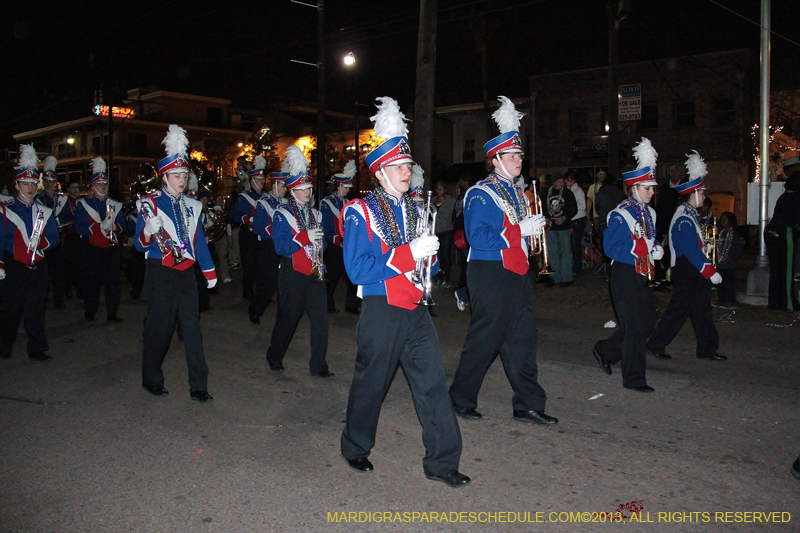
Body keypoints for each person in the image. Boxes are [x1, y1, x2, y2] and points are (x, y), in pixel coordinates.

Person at [340, 97, 468, 487]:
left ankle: (442, 461)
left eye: (408, 165)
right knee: (371, 384)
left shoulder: (415, 210)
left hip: (415, 310)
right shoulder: (358, 211)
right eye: (397, 166)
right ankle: (355, 446)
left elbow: (423, 261)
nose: (406, 171)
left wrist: (428, 258)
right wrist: (407, 253)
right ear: (379, 172)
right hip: (381, 310)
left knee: (432, 384)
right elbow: (357, 269)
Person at [449, 96, 556, 425]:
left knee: (523, 340)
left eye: (519, 154)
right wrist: (518, 229)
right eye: (511, 155)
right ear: (495, 160)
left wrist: (533, 230)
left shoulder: (518, 192)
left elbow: (519, 232)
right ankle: (460, 398)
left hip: (517, 272)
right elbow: (479, 236)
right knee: (485, 339)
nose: (518, 159)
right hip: (490, 272)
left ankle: (528, 404)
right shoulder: (480, 193)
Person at [135, 125, 216, 402]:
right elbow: (138, 244)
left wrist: (209, 270)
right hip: (160, 271)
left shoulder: (193, 205)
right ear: (164, 176)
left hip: (186, 273)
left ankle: (198, 385)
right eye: (176, 175)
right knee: (160, 327)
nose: (182, 180)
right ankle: (151, 378)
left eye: (184, 175)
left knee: (192, 328)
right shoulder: (149, 204)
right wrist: (146, 231)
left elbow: (199, 241)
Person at [592, 138, 664, 392]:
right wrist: (642, 248)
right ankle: (634, 378)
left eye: (652, 188)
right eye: (647, 188)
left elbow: (648, 239)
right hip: (623, 272)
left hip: (643, 273)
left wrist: (655, 249)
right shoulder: (620, 214)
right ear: (634, 188)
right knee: (634, 327)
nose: (652, 192)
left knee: (646, 323)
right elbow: (611, 249)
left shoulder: (650, 213)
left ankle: (605, 350)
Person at [646, 150, 726, 363]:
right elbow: (690, 249)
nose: (704, 195)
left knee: (701, 310)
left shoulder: (690, 215)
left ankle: (707, 348)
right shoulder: (684, 218)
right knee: (679, 310)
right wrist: (709, 270)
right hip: (688, 268)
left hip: (691, 268)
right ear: (693, 194)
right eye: (701, 192)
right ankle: (655, 343)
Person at [266, 146, 333, 377]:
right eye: (303, 187)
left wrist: (320, 245)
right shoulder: (281, 213)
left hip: (314, 273)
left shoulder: (316, 214)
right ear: (293, 189)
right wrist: (304, 238)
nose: (307, 191)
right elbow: (281, 247)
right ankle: (274, 355)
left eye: (309, 187)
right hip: (292, 274)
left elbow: (323, 245)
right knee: (288, 319)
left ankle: (319, 365)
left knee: (321, 322)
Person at [0, 145, 60, 361]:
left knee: (36, 307)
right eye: (25, 183)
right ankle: (4, 345)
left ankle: (36, 348)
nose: (30, 187)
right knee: (10, 309)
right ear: (16, 185)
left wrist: (39, 244)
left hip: (38, 263)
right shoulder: (5, 211)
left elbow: (54, 238)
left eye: (34, 183)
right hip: (13, 264)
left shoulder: (44, 211)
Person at [75, 157, 125, 322]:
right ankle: (90, 310)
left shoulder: (115, 204)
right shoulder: (84, 203)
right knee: (91, 282)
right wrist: (99, 227)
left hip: (111, 248)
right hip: (92, 248)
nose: (103, 187)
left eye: (105, 184)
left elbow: (123, 226)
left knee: (112, 283)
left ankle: (112, 312)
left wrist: (114, 227)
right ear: (92, 186)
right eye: (99, 184)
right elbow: (79, 227)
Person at [320, 161, 360, 314]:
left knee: (351, 276)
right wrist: (338, 241)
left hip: (347, 246)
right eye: (345, 187)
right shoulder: (326, 203)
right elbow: (326, 226)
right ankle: (327, 305)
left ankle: (351, 305)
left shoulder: (349, 203)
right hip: (334, 246)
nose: (347, 190)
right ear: (339, 186)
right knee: (332, 277)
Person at [248, 169, 287, 324]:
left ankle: (283, 315)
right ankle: (255, 310)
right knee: (268, 283)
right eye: (283, 186)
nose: (285, 190)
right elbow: (257, 227)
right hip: (268, 246)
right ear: (275, 185)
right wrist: (277, 230)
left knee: (283, 282)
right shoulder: (263, 203)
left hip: (282, 245)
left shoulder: (285, 203)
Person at [229, 158, 266, 300]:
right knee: (249, 265)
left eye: (262, 179)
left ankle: (262, 292)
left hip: (262, 234)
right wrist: (249, 219)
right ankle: (248, 292)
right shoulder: (244, 197)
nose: (262, 181)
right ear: (252, 181)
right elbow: (235, 214)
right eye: (259, 179)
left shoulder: (265, 196)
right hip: (248, 234)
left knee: (262, 266)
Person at [36, 155, 69, 308]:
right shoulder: (37, 199)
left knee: (59, 272)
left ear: (56, 183)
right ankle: (42, 298)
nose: (49, 184)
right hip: (42, 239)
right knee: (42, 274)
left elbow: (69, 217)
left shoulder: (62, 200)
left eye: (52, 181)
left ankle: (59, 300)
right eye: (47, 181)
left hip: (59, 241)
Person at [765, 172, 800, 312]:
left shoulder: (784, 197)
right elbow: (793, 221)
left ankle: (775, 302)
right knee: (787, 271)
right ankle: (789, 303)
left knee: (776, 270)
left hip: (772, 233)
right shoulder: (795, 198)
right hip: (785, 234)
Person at [543, 171, 577, 288]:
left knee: (566, 253)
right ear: (552, 183)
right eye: (557, 182)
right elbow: (542, 208)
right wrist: (545, 219)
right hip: (551, 228)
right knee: (552, 254)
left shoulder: (567, 193)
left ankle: (567, 277)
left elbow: (574, 209)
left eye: (561, 181)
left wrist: (565, 218)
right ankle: (555, 277)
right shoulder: (546, 193)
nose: (559, 184)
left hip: (563, 228)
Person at [714, 211, 743, 309]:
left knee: (729, 283)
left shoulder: (734, 235)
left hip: (730, 264)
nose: (722, 222)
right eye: (721, 220)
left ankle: (731, 301)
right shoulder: (722, 234)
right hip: (721, 263)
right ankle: (721, 300)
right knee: (721, 283)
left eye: (724, 220)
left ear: (730, 222)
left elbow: (737, 248)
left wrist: (731, 256)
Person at [453, 174, 472, 311]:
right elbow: (458, 216)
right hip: (465, 235)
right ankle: (462, 293)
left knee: (469, 266)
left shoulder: (469, 194)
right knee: (468, 266)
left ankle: (463, 293)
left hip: (468, 234)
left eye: (461, 180)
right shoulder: (463, 196)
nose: (459, 183)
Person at [433, 180, 456, 288]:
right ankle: (439, 277)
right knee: (438, 256)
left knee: (445, 254)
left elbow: (456, 213)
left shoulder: (451, 201)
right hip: (435, 231)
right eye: (437, 189)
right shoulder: (432, 200)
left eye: (441, 189)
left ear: (445, 190)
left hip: (447, 231)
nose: (439, 191)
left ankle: (447, 279)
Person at [564, 171, 586, 276]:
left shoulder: (578, 191)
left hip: (578, 220)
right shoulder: (569, 191)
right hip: (573, 219)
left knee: (576, 245)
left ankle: (578, 268)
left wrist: (571, 213)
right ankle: (575, 266)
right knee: (573, 245)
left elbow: (582, 206)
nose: (566, 182)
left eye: (568, 180)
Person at [585, 168, 607, 237]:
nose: (602, 176)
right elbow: (589, 201)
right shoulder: (592, 187)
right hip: (596, 215)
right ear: (597, 175)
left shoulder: (608, 187)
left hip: (606, 215)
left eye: (603, 174)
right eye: (600, 174)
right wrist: (587, 214)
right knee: (598, 234)